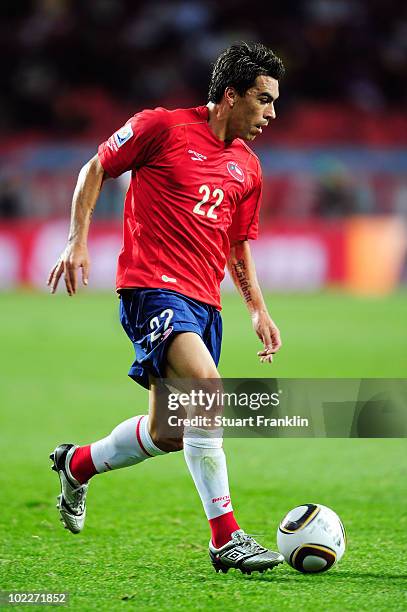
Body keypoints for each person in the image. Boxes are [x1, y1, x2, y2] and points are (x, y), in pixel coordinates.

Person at [47, 41, 285, 575]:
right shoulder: (161, 127)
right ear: (231, 96)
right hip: (151, 287)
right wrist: (77, 240)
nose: (272, 114)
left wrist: (256, 309)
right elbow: (95, 169)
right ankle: (226, 537)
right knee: (208, 389)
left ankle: (76, 464)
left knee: (169, 433)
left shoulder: (249, 168)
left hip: (204, 303)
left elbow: (237, 243)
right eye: (264, 100)